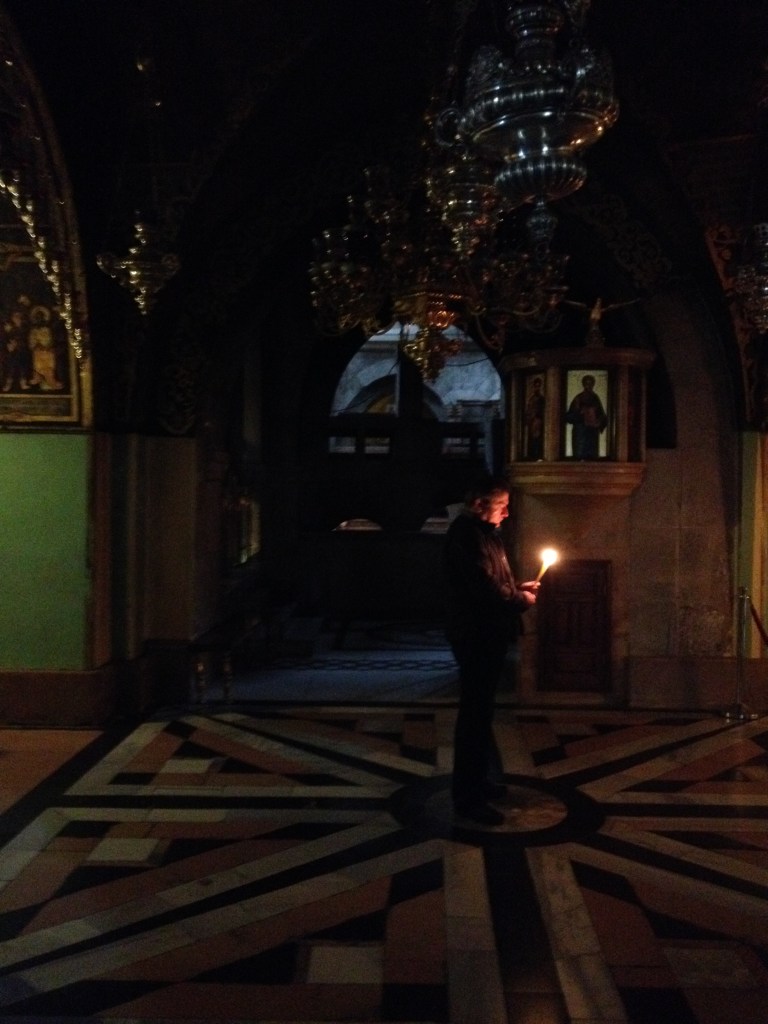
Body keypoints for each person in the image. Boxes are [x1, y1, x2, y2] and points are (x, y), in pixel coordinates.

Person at [444, 475, 538, 825]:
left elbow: (494, 581)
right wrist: (519, 599)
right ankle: (467, 798)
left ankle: (478, 781)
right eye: (502, 506)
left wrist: (515, 587)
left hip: (487, 632)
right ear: (479, 504)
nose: (507, 513)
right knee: (474, 716)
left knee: (482, 714)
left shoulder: (484, 533)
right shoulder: (467, 536)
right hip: (475, 635)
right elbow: (482, 587)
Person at [565, 374, 607, 459]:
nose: (589, 386)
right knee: (579, 457)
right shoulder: (578, 399)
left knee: (592, 458)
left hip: (592, 434)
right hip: (580, 434)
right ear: (583, 384)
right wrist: (580, 413)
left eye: (591, 384)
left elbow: (602, 416)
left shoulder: (595, 399)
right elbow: (568, 417)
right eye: (587, 384)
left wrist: (599, 422)